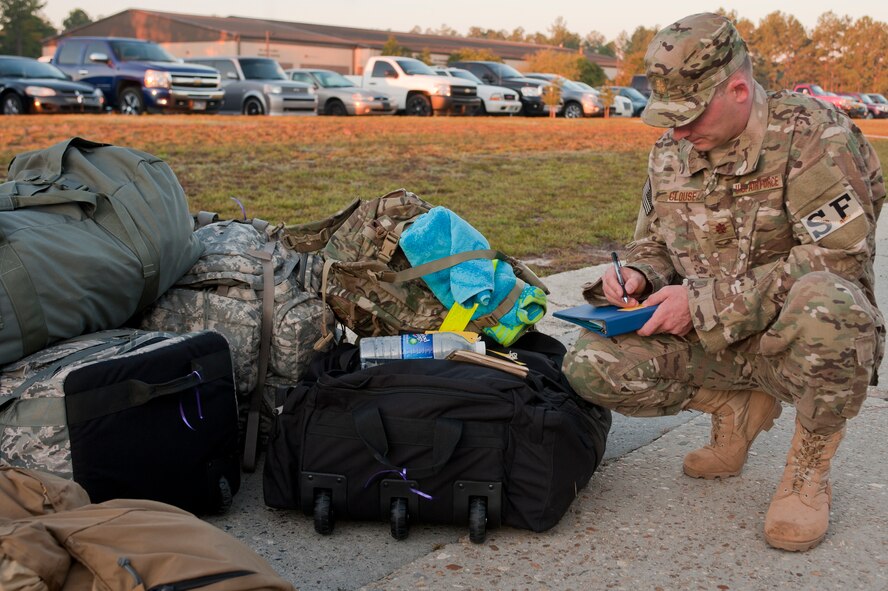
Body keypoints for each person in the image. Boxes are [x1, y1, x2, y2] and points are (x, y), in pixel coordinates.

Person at [563, 12, 885, 552]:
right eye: (669, 117)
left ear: (738, 88)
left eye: (688, 115)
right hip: (716, 341)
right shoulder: (671, 150)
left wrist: (703, 304)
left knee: (832, 304)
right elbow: (655, 243)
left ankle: (809, 466)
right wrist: (638, 274)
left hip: (794, 344)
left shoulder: (813, 136)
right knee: (590, 365)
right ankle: (734, 409)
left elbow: (839, 257)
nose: (679, 132)